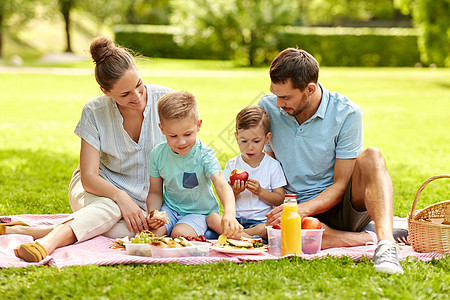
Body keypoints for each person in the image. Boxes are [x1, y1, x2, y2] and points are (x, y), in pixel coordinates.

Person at [1, 36, 172, 262]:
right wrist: (120, 197)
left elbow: (188, 150)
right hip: (95, 190)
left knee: (139, 229)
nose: (137, 96)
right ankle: (45, 244)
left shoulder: (167, 100)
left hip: (145, 199)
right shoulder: (94, 112)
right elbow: (89, 178)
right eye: (125, 94)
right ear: (106, 91)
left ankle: (24, 231)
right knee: (111, 209)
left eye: (139, 85)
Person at [259, 48, 404, 274]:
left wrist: (303, 209)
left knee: (372, 155)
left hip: (339, 208)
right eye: (275, 94)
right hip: (291, 209)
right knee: (299, 236)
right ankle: (364, 237)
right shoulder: (267, 108)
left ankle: (386, 245)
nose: (278, 104)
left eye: (286, 97)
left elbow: (340, 184)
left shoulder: (347, 113)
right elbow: (267, 164)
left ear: (310, 89)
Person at [146, 91, 242, 238]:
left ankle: (208, 230)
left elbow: (221, 184)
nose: (181, 142)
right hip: (170, 209)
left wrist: (229, 213)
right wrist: (153, 213)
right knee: (151, 235)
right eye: (173, 136)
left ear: (198, 125)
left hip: (199, 212)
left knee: (179, 234)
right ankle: (208, 234)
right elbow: (155, 192)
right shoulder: (157, 154)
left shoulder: (204, 154)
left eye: (187, 134)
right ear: (162, 129)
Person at [207, 106, 286, 239]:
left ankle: (236, 237)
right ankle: (248, 238)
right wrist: (236, 191)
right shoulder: (232, 165)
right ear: (236, 138)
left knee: (265, 229)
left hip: (261, 221)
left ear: (267, 139)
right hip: (235, 221)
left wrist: (261, 192)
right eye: (244, 141)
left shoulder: (272, 165)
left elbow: (280, 199)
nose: (250, 147)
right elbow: (224, 200)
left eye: (256, 141)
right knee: (211, 218)